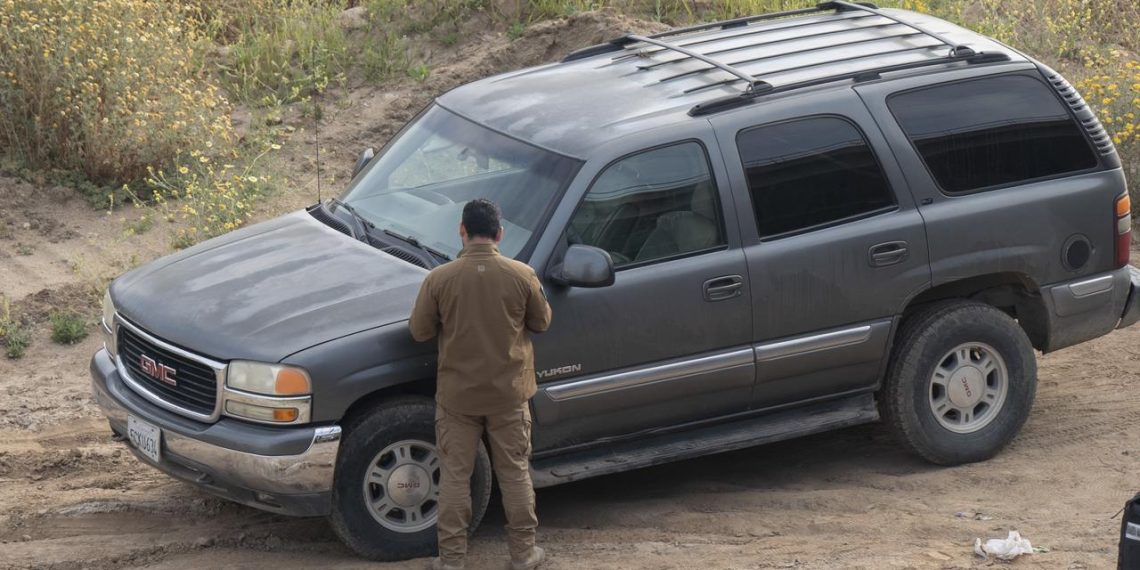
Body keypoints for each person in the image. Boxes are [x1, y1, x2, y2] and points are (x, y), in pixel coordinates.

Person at [409, 198, 553, 570]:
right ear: (499, 234)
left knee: (456, 477)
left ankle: (453, 560)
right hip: (509, 395)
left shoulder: (439, 279)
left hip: (459, 397)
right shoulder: (522, 275)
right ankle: (523, 555)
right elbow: (542, 322)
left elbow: (420, 330)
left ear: (462, 230)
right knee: (515, 473)